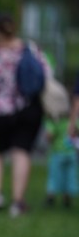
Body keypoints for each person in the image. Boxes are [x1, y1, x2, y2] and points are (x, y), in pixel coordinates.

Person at [0, 12, 49, 217]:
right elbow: (45, 75)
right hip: (27, 108)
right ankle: (18, 202)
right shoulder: (30, 49)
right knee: (21, 151)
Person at [43, 80, 77, 208]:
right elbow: (76, 131)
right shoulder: (71, 120)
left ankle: (51, 196)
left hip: (57, 153)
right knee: (69, 176)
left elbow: (49, 135)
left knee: (54, 175)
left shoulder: (54, 120)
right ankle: (66, 197)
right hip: (71, 153)